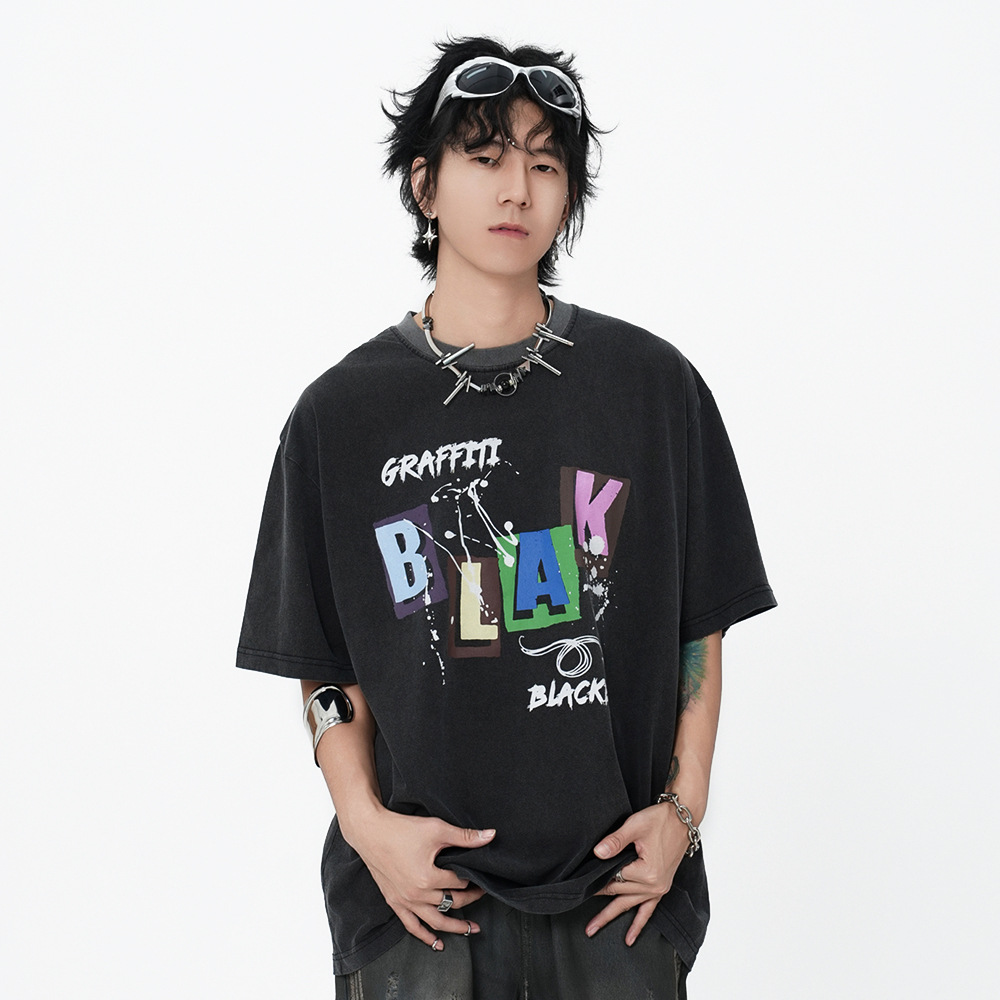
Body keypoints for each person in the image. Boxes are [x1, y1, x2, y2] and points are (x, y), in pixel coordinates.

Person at [237, 36, 775, 999]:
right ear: (424, 184)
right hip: (420, 914)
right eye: (484, 157)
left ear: (569, 195)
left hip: (618, 905)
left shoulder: (653, 389)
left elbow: (703, 621)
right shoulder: (339, 417)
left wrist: (684, 809)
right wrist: (366, 825)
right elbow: (321, 657)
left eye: (545, 163)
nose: (516, 189)